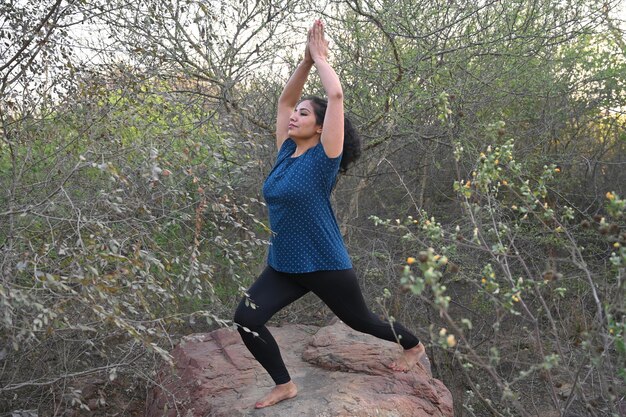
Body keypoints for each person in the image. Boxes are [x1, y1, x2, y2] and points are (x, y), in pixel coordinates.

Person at [233, 19, 425, 409]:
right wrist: (304, 62)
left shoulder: (324, 158)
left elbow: (334, 95)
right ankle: (284, 384)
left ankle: (414, 345)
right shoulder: (287, 153)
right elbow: (284, 103)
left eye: (304, 115)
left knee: (361, 321)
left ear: (321, 128)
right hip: (284, 263)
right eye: (297, 114)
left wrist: (321, 58)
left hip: (323, 260)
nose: (294, 117)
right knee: (246, 319)